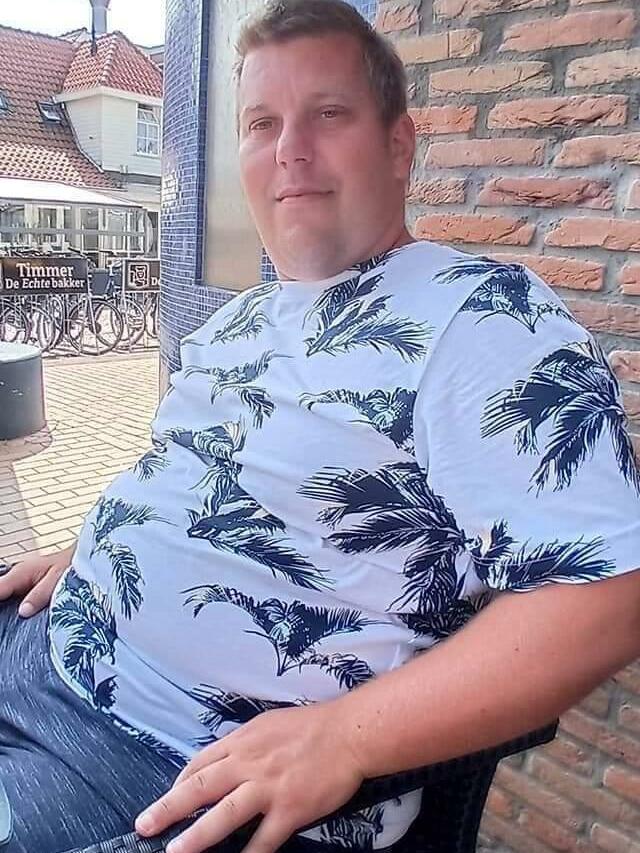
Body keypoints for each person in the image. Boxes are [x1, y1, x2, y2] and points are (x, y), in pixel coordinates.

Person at [1, 2, 640, 852]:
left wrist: (345, 738)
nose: (289, 150)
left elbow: (607, 596)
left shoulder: (482, 319)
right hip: (43, 640)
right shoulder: (241, 320)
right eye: (262, 124)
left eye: (328, 114)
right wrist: (97, 545)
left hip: (165, 765)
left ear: (399, 146)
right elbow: (190, 476)